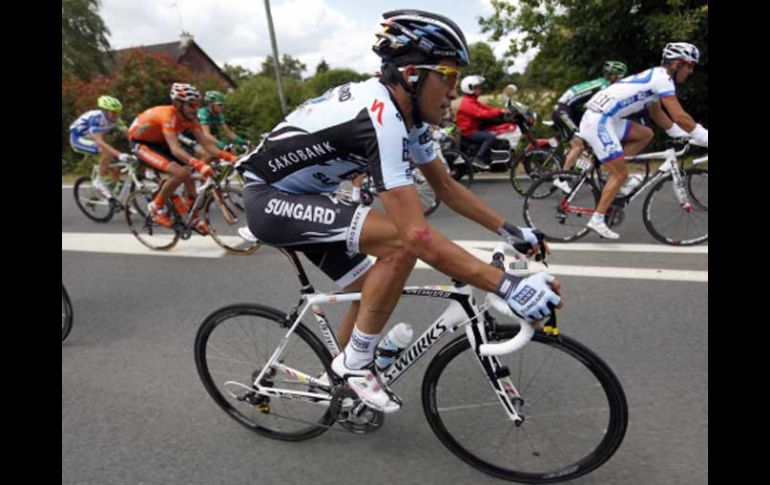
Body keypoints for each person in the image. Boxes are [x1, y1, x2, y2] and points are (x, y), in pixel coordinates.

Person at [237, 9, 562, 414]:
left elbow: (446, 187)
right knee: (400, 246)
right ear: (412, 75)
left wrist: (510, 230)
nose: (452, 92)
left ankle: (340, 378)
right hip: (269, 198)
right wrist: (506, 285)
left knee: (368, 286)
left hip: (309, 197)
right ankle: (356, 366)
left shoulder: (411, 120)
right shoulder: (380, 117)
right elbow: (417, 235)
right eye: (448, 76)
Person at [578, 42, 708, 239]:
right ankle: (597, 218)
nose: (691, 71)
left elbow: (657, 114)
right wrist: (703, 136)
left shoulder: (657, 76)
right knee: (621, 174)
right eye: (689, 66)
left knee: (646, 134)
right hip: (599, 121)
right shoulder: (662, 80)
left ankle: (615, 175)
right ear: (677, 64)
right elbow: (679, 116)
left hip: (607, 119)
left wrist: (681, 134)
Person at [127, 83, 237, 232]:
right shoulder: (168, 116)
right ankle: (156, 207)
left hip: (160, 142)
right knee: (180, 172)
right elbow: (175, 149)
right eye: (191, 105)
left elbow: (207, 145)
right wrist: (200, 165)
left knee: (188, 172)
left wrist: (232, 158)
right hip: (141, 143)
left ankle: (194, 219)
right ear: (178, 104)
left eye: (197, 104)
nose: (195, 109)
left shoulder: (192, 118)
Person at [551, 61, 628, 193]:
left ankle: (571, 158)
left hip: (570, 110)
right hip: (563, 110)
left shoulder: (601, 83)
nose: (621, 80)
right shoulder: (604, 87)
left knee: (588, 136)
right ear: (613, 76)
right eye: (620, 77)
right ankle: (561, 179)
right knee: (578, 145)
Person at [69, 95, 132, 202]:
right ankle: (99, 180)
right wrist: (119, 154)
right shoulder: (96, 118)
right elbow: (100, 142)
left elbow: (129, 135)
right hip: (78, 139)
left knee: (115, 170)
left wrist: (139, 147)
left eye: (118, 112)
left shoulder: (116, 119)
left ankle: (109, 197)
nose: (116, 115)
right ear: (104, 111)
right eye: (113, 112)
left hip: (92, 140)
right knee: (107, 152)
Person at [456, 75, 506, 169]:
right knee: (490, 136)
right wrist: (499, 112)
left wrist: (500, 111)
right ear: (469, 88)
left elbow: (486, 108)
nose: (479, 89)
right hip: (468, 131)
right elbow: (482, 114)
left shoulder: (471, 100)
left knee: (493, 129)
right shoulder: (468, 103)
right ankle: (478, 158)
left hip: (472, 128)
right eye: (476, 87)